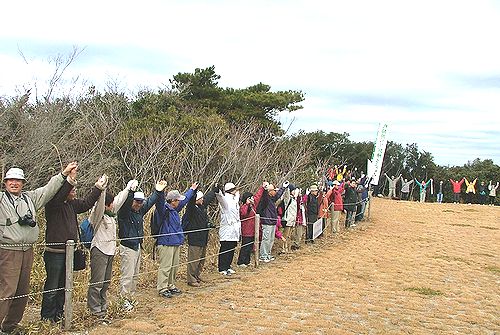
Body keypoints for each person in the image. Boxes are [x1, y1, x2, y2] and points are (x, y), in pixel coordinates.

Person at [0, 163, 75, 333]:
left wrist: (63, 174)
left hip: (28, 250)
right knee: (7, 290)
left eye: (18, 180)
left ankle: (10, 326)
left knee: (22, 291)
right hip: (7, 250)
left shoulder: (30, 198)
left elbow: (49, 189)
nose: (14, 183)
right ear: (5, 182)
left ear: (23, 183)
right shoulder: (1, 200)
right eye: (11, 180)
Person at [41, 166, 105, 322]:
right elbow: (61, 192)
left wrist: (98, 187)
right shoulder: (53, 204)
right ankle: (47, 317)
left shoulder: (71, 205)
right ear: (63, 191)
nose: (74, 192)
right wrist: (70, 179)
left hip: (68, 253)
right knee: (52, 286)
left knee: (64, 286)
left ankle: (59, 313)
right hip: (54, 253)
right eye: (71, 190)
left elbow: (86, 203)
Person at [87, 177, 129, 319]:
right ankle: (94, 309)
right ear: (105, 205)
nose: (113, 206)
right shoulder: (97, 215)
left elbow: (119, 200)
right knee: (97, 282)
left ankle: (103, 307)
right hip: (99, 250)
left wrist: (128, 188)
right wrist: (102, 189)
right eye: (110, 204)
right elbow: (99, 205)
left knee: (105, 282)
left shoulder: (111, 215)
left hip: (110, 251)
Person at [117, 180, 163, 310]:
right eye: (136, 201)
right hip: (127, 247)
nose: (138, 204)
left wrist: (158, 191)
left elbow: (149, 202)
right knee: (127, 276)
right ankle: (123, 300)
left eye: (140, 201)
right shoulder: (124, 213)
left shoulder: (139, 211)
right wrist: (131, 192)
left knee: (134, 276)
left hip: (137, 246)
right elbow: (126, 204)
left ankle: (130, 299)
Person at [154, 182, 197, 298]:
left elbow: (185, 200)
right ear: (172, 201)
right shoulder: (164, 210)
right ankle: (162, 288)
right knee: (166, 267)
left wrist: (191, 190)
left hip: (175, 242)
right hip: (166, 242)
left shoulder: (174, 210)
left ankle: (170, 285)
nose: (179, 202)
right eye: (177, 200)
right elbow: (159, 202)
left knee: (174, 266)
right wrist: (160, 192)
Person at [182, 187, 216, 286]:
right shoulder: (191, 208)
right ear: (196, 199)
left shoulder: (202, 207)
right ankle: (191, 279)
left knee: (201, 259)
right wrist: (194, 192)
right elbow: (191, 202)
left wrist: (214, 190)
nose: (203, 200)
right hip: (194, 238)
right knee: (193, 259)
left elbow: (208, 198)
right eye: (200, 198)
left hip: (203, 237)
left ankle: (197, 275)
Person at [254, 182, 285, 261]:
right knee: (266, 240)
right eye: (274, 190)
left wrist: (283, 188)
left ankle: (268, 254)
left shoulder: (272, 199)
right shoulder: (265, 199)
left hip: (272, 222)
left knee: (271, 240)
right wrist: (264, 189)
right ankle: (263, 256)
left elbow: (278, 195)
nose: (275, 192)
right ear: (270, 191)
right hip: (266, 222)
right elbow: (264, 196)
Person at [215, 182, 241, 275]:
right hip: (227, 228)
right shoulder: (226, 200)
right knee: (225, 248)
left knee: (231, 248)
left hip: (234, 229)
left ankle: (228, 266)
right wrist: (218, 191)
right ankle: (222, 267)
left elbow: (237, 195)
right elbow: (220, 198)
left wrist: (237, 192)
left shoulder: (234, 200)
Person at [236, 192, 256, 267]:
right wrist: (247, 204)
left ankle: (247, 261)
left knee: (250, 247)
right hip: (246, 230)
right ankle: (241, 261)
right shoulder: (243, 207)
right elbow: (244, 214)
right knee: (245, 246)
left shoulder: (253, 207)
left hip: (252, 230)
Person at [280, 185, 298, 254]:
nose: (294, 192)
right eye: (293, 190)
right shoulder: (288, 199)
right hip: (287, 220)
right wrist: (286, 187)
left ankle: (288, 248)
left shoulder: (294, 199)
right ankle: (284, 248)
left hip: (292, 220)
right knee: (285, 235)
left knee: (289, 236)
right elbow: (286, 195)